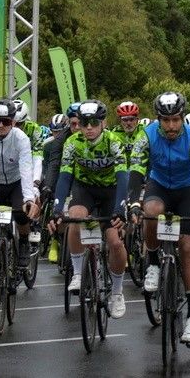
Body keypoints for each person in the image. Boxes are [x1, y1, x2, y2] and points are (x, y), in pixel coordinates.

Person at [127, 92, 190, 344]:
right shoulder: (147, 135)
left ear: (182, 118)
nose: (171, 126)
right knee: (150, 212)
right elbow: (136, 168)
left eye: (176, 119)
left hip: (189, 190)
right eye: (166, 120)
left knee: (187, 248)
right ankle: (153, 262)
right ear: (158, 119)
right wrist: (133, 201)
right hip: (160, 186)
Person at [48, 100, 129, 319]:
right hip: (85, 190)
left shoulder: (114, 142)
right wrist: (57, 208)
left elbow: (123, 177)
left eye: (94, 122)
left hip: (111, 191)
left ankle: (117, 291)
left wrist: (121, 207)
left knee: (114, 241)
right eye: (84, 123)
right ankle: (77, 273)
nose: (89, 127)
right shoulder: (73, 143)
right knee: (75, 218)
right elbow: (65, 177)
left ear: (103, 122)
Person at [0, 99, 38, 268]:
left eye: (6, 122)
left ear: (13, 122)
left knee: (20, 213)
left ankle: (24, 242)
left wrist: (29, 199)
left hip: (16, 182)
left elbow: (26, 168)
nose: (1, 125)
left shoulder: (21, 138)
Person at [41, 102, 81, 263]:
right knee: (60, 214)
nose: (77, 127)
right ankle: (56, 241)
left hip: (87, 180)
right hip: (65, 177)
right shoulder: (59, 141)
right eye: (73, 124)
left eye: (80, 123)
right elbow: (53, 165)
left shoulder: (95, 136)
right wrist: (48, 186)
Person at [12, 99, 49, 186]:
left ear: (25, 121)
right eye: (10, 122)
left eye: (18, 124)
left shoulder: (34, 129)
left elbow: (38, 155)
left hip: (29, 163)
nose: (14, 127)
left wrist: (36, 180)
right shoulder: (3, 128)